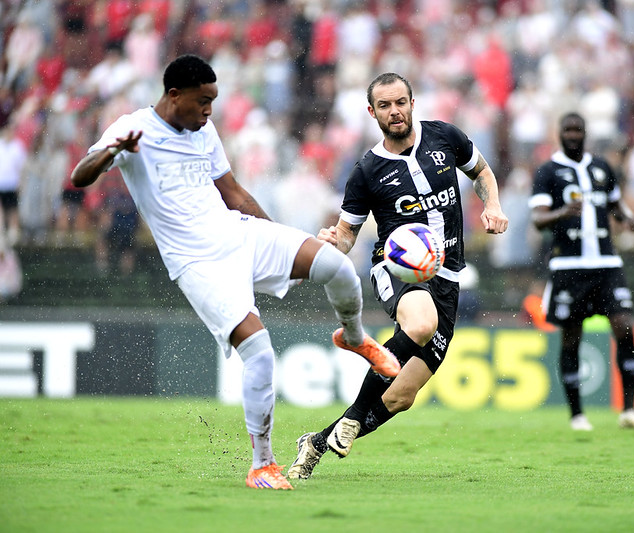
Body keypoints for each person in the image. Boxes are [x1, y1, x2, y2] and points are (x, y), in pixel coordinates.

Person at [70, 54, 400, 491]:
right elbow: (80, 176)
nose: (209, 111)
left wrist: (278, 238)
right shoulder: (133, 130)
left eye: (213, 101)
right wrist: (113, 151)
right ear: (174, 96)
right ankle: (262, 464)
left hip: (239, 235)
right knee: (260, 355)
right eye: (203, 101)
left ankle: (354, 338)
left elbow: (233, 194)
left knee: (336, 267)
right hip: (198, 264)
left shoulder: (202, 130)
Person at [287, 72, 508, 480]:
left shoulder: (445, 137)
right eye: (385, 106)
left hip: (449, 277)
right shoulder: (367, 171)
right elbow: (347, 235)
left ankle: (317, 443)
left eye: (400, 102)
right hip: (397, 267)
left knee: (403, 396)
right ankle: (353, 417)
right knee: (421, 324)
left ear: (412, 102)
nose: (395, 112)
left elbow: (483, 173)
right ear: (372, 112)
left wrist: (492, 204)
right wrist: (329, 243)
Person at [529, 112, 634, 431]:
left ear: (585, 134)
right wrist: (563, 212)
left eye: (577, 130)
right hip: (569, 266)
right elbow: (538, 219)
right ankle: (577, 414)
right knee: (572, 338)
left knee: (624, 326)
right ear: (559, 133)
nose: (573, 135)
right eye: (567, 130)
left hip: (607, 264)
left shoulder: (601, 167)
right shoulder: (548, 172)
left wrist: (627, 218)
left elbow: (614, 203)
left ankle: (629, 409)